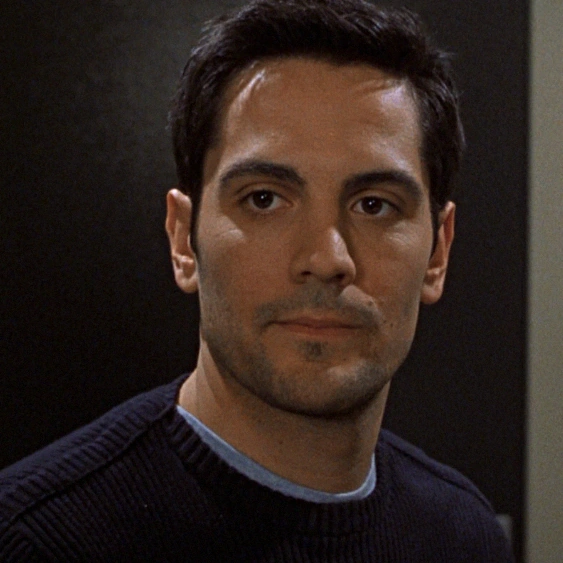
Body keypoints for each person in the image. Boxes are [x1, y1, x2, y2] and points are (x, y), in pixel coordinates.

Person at [0, 0, 514, 561]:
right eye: (264, 199)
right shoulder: (36, 542)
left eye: (374, 205)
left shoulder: (462, 536)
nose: (326, 258)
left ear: (438, 251)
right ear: (183, 240)